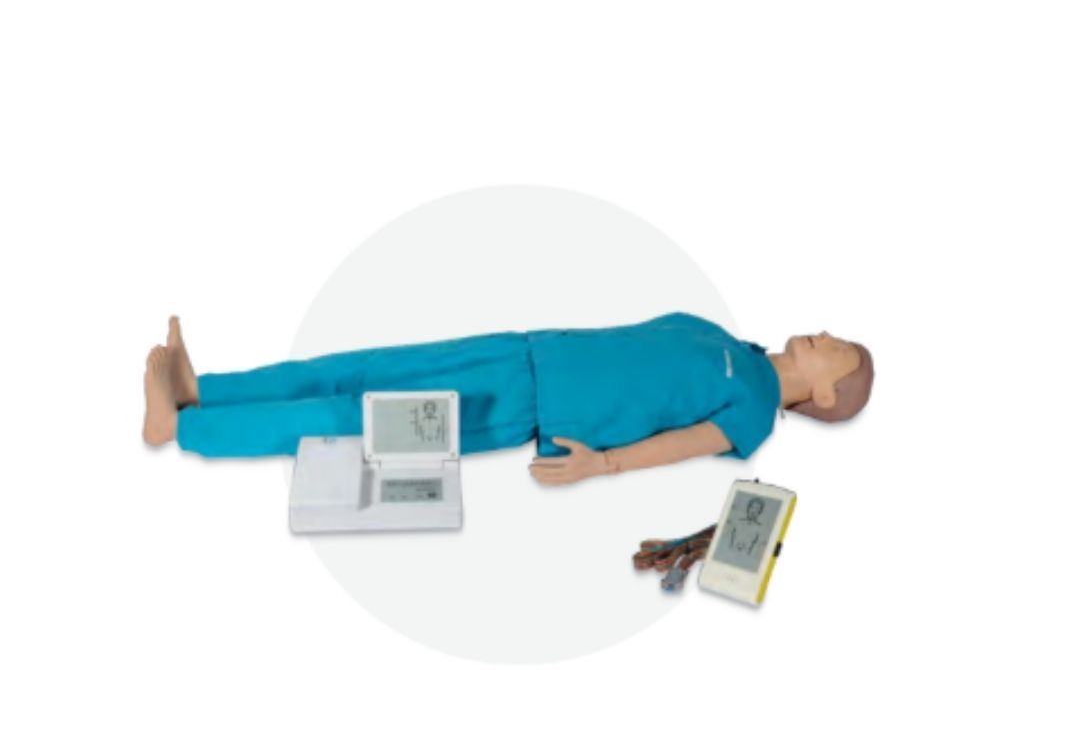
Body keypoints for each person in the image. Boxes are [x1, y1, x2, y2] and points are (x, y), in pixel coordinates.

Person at [143, 312, 873, 485]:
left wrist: (602, 465)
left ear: (827, 391)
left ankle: (182, 429)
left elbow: (684, 444)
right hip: (521, 351)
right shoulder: (723, 336)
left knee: (352, 420)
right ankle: (202, 389)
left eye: (838, 345)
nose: (826, 332)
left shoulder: (752, 411)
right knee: (353, 369)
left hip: (520, 410)